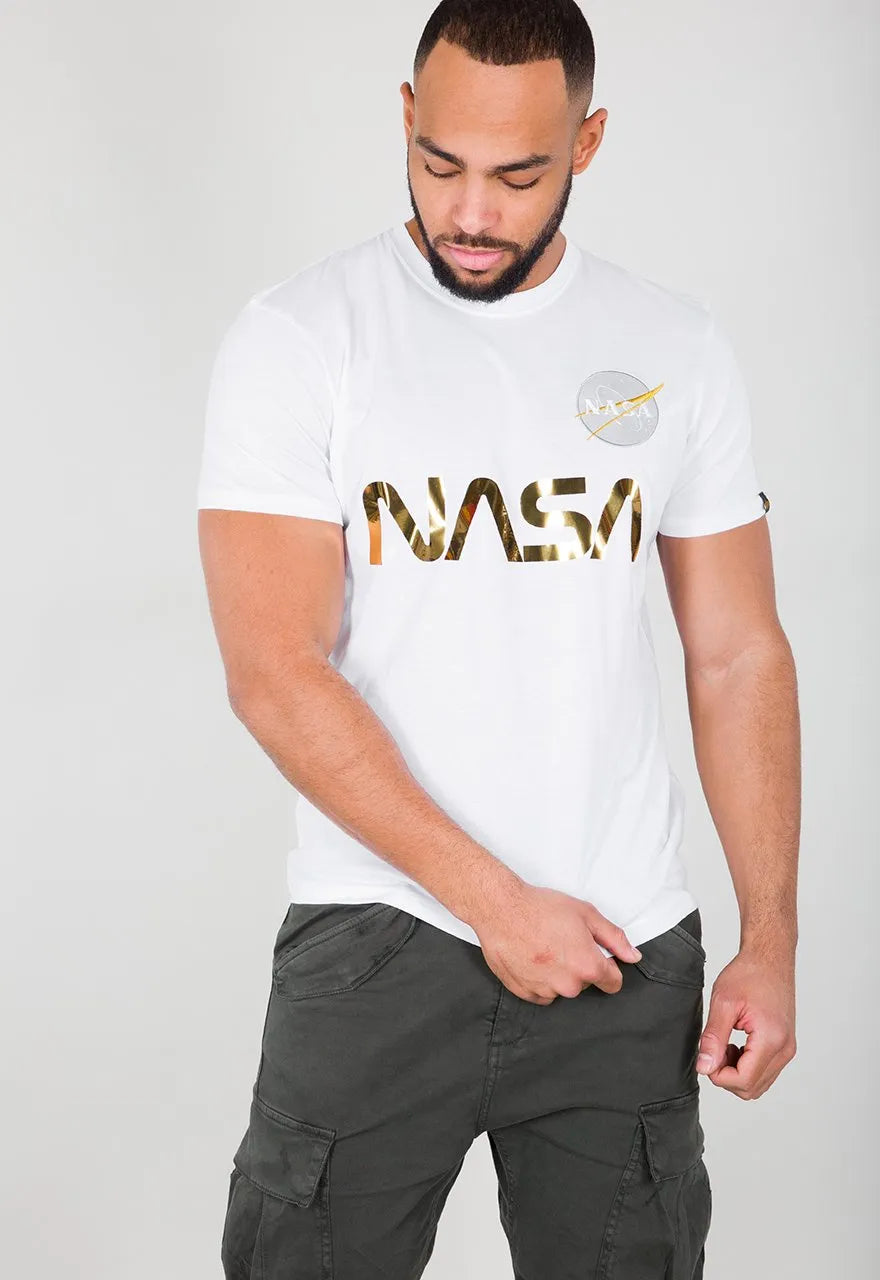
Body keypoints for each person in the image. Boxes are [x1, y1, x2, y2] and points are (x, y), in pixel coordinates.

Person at [196, 2, 800, 1276]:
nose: (469, 212)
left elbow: (736, 651)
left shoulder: (673, 348)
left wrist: (769, 936)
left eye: (517, 177)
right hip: (379, 933)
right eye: (439, 164)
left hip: (622, 945)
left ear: (586, 142)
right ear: (405, 117)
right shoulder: (301, 337)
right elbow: (273, 672)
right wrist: (493, 902)